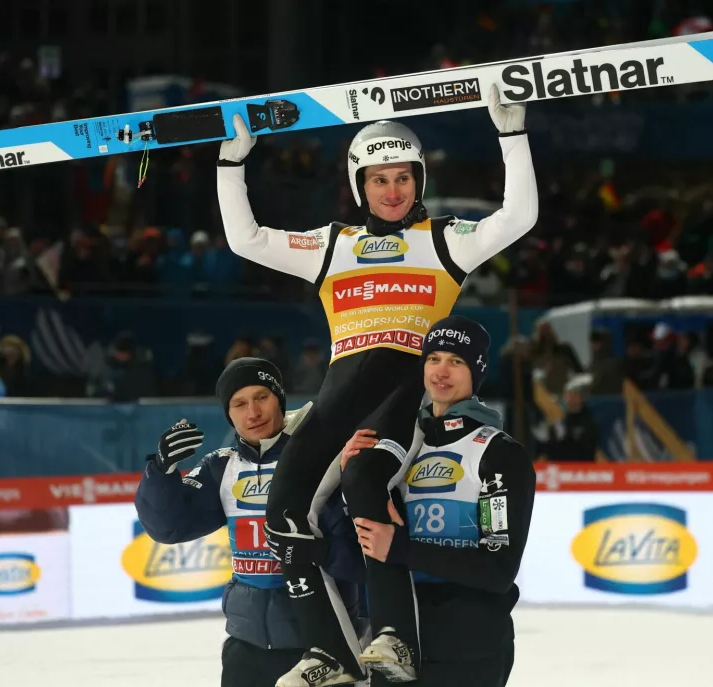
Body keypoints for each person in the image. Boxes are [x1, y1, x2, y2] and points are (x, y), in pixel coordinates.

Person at [217, 85, 537, 686]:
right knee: (282, 508)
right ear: (359, 184)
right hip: (343, 390)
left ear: (419, 181)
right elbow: (248, 240)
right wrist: (231, 163)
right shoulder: (333, 245)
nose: (393, 192)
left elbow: (518, 217)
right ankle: (331, 655)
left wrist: (511, 136)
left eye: (403, 179)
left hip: (400, 386)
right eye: (379, 180)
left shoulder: (445, 240)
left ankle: (393, 637)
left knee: (366, 480)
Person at [133, 358, 367, 687]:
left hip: (319, 650)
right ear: (229, 414)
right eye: (239, 404)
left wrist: (318, 551)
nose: (252, 413)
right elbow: (168, 527)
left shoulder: (322, 460)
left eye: (262, 397)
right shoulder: (221, 467)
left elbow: (361, 555)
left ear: (280, 400)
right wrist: (160, 471)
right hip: (245, 646)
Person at [344, 316, 536, 687]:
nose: (441, 371)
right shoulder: (396, 448)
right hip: (394, 646)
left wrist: (400, 549)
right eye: (433, 359)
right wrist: (349, 472)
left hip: (468, 646)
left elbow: (497, 571)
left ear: (476, 371)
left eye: (456, 361)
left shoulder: (498, 453)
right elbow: (361, 538)